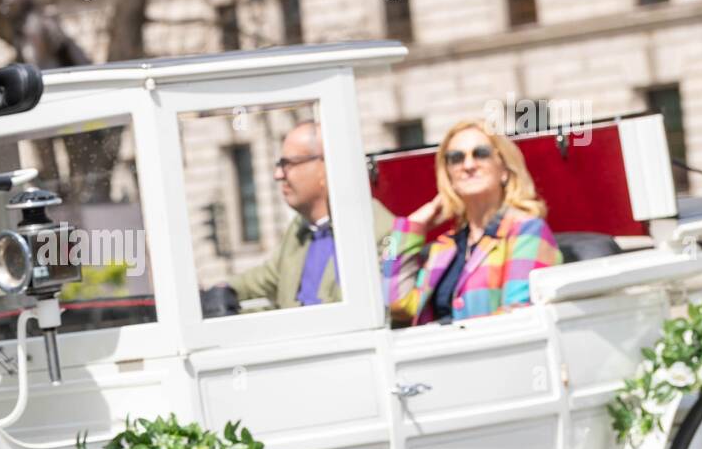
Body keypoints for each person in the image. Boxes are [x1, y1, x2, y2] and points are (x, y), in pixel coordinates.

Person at [385, 118, 561, 326]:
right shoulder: (445, 247)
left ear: (504, 169)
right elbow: (393, 302)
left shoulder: (527, 230)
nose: (468, 165)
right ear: (449, 176)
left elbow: (519, 317)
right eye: (456, 158)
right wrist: (407, 227)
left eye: (481, 153)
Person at [210, 120, 393, 312]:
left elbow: (380, 305)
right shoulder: (301, 227)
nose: (278, 174)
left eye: (287, 163)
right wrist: (225, 291)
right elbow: (270, 276)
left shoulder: (377, 229)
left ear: (325, 165)